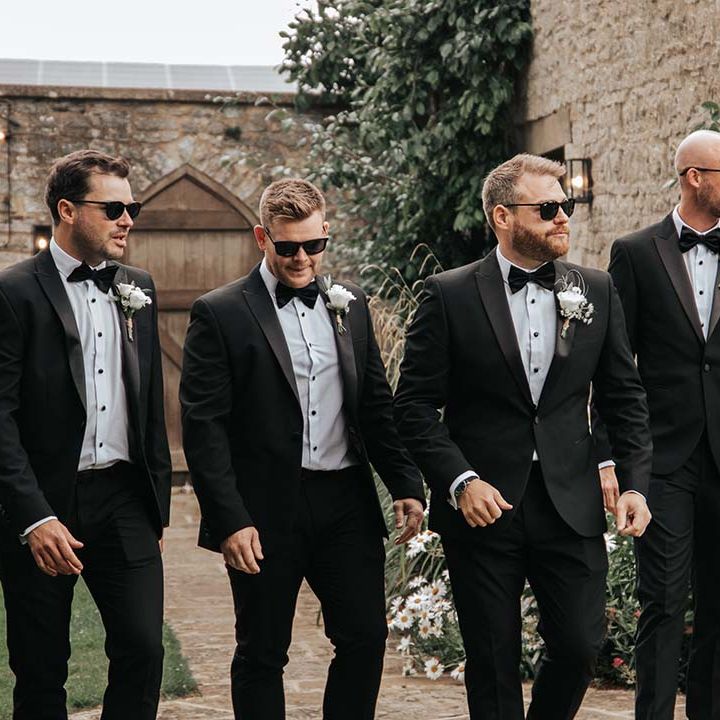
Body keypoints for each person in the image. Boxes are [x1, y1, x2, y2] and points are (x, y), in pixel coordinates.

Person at [394, 153, 652, 720]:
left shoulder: (597, 289)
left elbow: (623, 397)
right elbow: (412, 406)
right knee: (492, 662)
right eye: (548, 208)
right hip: (484, 507)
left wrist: (633, 482)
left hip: (570, 503)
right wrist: (460, 481)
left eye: (567, 206)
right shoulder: (448, 294)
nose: (563, 218)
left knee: (580, 648)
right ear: (502, 216)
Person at [180, 178, 425, 720]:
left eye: (314, 245)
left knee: (365, 637)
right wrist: (230, 520)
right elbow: (204, 428)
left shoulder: (350, 304)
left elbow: (375, 405)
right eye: (288, 246)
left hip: (345, 502)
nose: (301, 258)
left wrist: (405, 483)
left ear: (326, 234)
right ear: (261, 237)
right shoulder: (220, 312)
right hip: (265, 509)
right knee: (262, 651)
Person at [0, 149, 171, 719]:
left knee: (144, 651)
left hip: (125, 499)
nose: (127, 220)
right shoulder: (13, 292)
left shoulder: (139, 288)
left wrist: (155, 510)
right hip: (45, 501)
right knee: (41, 668)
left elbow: (150, 405)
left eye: (132, 209)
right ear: (67, 210)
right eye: (114, 208)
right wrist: (33, 517)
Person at [593, 129, 720, 720]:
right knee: (663, 602)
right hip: (662, 460)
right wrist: (609, 456)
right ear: (694, 177)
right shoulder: (636, 252)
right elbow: (613, 365)